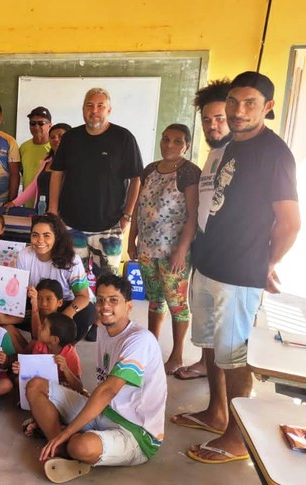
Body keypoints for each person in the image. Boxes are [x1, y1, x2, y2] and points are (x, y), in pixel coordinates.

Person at [179, 72, 300, 465]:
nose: (238, 110)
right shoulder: (229, 145)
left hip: (239, 272)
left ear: (268, 107)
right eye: (233, 101)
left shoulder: (274, 153)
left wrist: (266, 263)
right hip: (209, 263)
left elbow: (290, 223)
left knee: (234, 355)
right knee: (211, 345)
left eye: (250, 103)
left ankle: (237, 434)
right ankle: (216, 412)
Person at [28, 274, 167, 483]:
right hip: (104, 410)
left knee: (81, 446)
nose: (105, 306)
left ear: (129, 306)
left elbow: (108, 390)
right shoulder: (103, 329)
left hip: (136, 432)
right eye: (100, 300)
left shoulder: (140, 340)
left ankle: (64, 441)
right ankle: (60, 446)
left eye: (113, 300)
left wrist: (67, 432)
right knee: (36, 386)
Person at [172, 79, 233, 382]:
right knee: (206, 325)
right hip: (206, 254)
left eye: (220, 118)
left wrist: (270, 260)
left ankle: (228, 401)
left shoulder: (240, 154)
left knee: (229, 336)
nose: (213, 125)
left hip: (231, 261)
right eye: (207, 119)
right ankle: (206, 369)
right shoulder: (213, 154)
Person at [127, 124, 200, 374]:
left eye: (177, 141)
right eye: (166, 139)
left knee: (176, 303)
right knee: (155, 299)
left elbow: (193, 216)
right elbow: (138, 207)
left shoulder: (189, 172)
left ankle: (177, 355)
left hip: (173, 252)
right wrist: (132, 240)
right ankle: (151, 346)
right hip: (147, 249)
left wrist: (181, 251)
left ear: (186, 146)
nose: (169, 145)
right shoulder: (150, 169)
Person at [48, 88, 143, 278]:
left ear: (109, 110)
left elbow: (136, 179)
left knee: (109, 283)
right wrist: (52, 210)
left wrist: (127, 216)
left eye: (100, 106)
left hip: (109, 226)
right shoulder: (70, 138)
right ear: (83, 109)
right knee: (71, 280)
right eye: (89, 105)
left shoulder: (123, 138)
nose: (94, 111)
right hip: (71, 224)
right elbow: (57, 174)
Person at [16, 215, 94, 342]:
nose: (40, 241)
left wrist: (65, 316)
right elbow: (19, 290)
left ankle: (67, 347)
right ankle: (31, 345)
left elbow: (83, 296)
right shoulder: (24, 255)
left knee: (88, 311)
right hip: (36, 302)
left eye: (46, 235)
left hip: (63, 304)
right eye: (35, 235)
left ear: (56, 237)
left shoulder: (71, 260)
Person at [15, 313, 83, 438]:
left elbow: (79, 387)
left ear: (55, 340)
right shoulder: (40, 345)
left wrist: (66, 369)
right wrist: (22, 369)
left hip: (62, 391)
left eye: (43, 327)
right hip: (43, 386)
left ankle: (43, 424)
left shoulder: (70, 354)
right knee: (18, 381)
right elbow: (34, 370)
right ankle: (44, 423)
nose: (39, 327)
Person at [6, 123, 72, 211]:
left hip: (65, 214)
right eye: (52, 137)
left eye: (61, 136)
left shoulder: (76, 164)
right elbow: (34, 185)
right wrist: (15, 203)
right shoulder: (45, 162)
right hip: (41, 211)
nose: (56, 139)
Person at [18, 107, 53, 207]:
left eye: (41, 123)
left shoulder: (54, 148)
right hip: (27, 204)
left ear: (50, 125)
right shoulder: (24, 147)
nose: (36, 127)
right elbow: (21, 172)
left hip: (47, 205)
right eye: (32, 123)